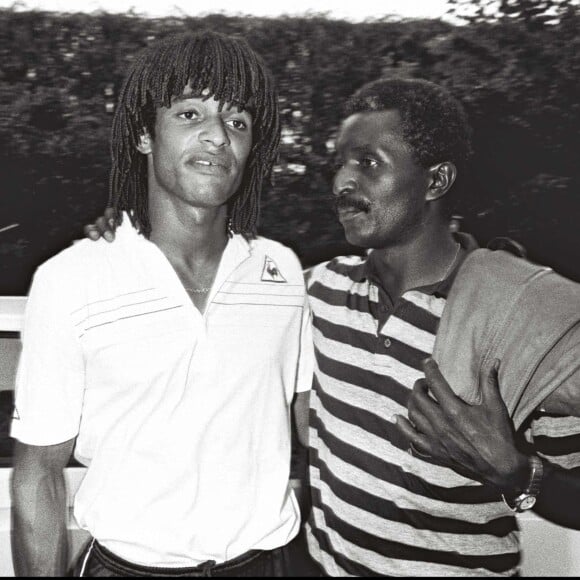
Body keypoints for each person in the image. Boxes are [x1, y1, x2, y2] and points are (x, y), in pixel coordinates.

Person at [85, 78, 580, 576]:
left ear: (435, 181)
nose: (342, 182)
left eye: (367, 163)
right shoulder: (318, 292)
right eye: (338, 165)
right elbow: (213, 294)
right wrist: (137, 232)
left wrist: (517, 472)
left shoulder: (516, 321)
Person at [10, 30, 316, 577]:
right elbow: (37, 472)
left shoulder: (282, 272)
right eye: (191, 114)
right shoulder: (70, 278)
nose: (219, 137)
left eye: (238, 122)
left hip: (269, 563)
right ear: (145, 136)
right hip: (127, 568)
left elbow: (311, 424)